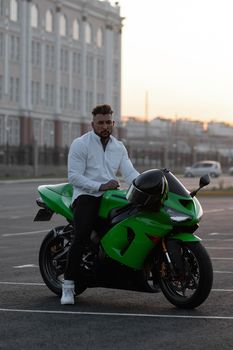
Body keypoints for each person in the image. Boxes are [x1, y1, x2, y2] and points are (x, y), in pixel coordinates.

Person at [61, 104, 139, 305]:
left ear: (113, 123)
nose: (105, 126)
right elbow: (74, 177)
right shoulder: (81, 144)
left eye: (108, 122)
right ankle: (68, 286)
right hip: (86, 195)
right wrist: (100, 186)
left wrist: (146, 185)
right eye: (100, 123)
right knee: (82, 234)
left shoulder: (118, 147)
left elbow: (129, 173)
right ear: (93, 124)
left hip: (111, 196)